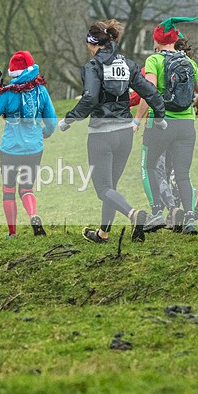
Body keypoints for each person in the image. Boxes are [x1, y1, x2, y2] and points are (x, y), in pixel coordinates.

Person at [58, 19, 166, 244]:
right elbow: (149, 90)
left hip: (101, 135)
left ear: (93, 43)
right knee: (111, 187)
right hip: (125, 133)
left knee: (103, 188)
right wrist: (160, 114)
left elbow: (89, 99)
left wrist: (68, 120)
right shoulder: (127, 64)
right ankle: (103, 233)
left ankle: (134, 214)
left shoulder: (93, 67)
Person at [133, 17, 198, 235]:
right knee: (183, 174)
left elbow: (148, 92)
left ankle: (156, 213)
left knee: (149, 166)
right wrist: (191, 106)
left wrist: (137, 120)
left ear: (157, 41)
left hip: (161, 124)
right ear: (176, 41)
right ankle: (190, 220)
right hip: (186, 126)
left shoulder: (154, 60)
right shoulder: (189, 62)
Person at [0, 50, 56, 238]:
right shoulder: (41, 90)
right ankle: (33, 215)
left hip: (10, 149)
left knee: (9, 190)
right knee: (26, 188)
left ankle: (12, 232)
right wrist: (44, 134)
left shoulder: (7, 93)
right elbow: (52, 122)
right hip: (34, 148)